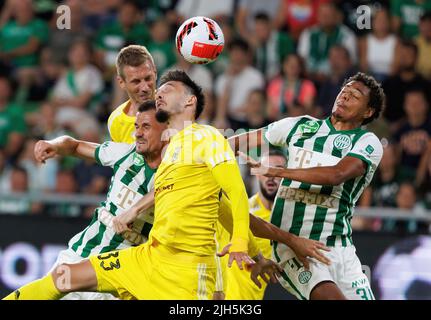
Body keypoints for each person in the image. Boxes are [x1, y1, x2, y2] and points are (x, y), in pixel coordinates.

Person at [230, 72, 385, 300]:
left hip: (340, 248)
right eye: (344, 91)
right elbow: (237, 143)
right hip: (293, 247)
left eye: (355, 96)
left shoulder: (367, 142)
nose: (344, 97)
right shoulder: (299, 126)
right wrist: (200, 154)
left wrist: (278, 171)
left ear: (368, 111)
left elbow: (337, 174)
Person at [219, 149, 287, 299]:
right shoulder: (240, 211)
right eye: (264, 169)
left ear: (286, 176)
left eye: (277, 171)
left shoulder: (290, 220)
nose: (270, 176)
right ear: (256, 172)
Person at [107, 45, 157, 144]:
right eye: (136, 81)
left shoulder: (174, 108)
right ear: (121, 82)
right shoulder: (116, 121)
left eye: (148, 78)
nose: (145, 88)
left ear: (155, 72)